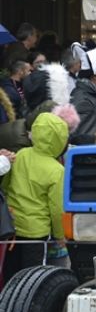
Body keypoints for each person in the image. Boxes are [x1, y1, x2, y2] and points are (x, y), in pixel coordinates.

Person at [1, 113, 68, 280]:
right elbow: (57, 207)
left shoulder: (21, 154)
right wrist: (60, 234)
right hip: (36, 234)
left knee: (11, 274)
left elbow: (5, 185)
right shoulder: (57, 170)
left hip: (13, 228)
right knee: (33, 279)